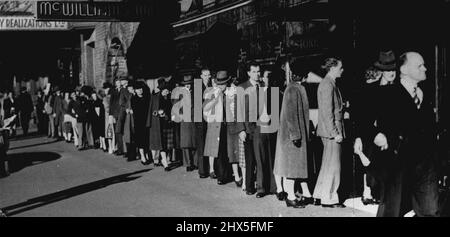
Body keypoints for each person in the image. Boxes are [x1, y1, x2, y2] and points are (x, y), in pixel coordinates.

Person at [374, 52, 439, 217]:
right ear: (404, 69)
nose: (425, 68)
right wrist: (376, 135)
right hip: (397, 163)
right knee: (392, 211)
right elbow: (364, 121)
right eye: (420, 65)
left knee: (430, 210)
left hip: (425, 164)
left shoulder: (425, 94)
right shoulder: (386, 94)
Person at [353, 50, 397, 205]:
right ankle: (370, 193)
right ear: (381, 71)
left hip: (392, 137)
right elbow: (362, 118)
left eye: (393, 69)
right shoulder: (371, 91)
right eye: (387, 70)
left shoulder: (397, 91)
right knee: (373, 167)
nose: (391, 72)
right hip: (374, 136)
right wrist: (363, 136)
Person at [274, 65, 312, 208]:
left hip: (295, 135)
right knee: (292, 168)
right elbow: (291, 115)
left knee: (299, 167)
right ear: (304, 76)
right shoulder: (293, 89)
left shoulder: (294, 88)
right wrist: (296, 135)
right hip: (292, 137)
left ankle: (307, 194)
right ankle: (290, 197)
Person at [313, 57, 346, 208]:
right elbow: (327, 112)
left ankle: (320, 195)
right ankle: (329, 198)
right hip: (331, 132)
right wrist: (335, 133)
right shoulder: (328, 84)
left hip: (328, 130)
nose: (342, 70)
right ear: (332, 68)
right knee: (333, 166)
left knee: (327, 165)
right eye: (340, 67)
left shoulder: (328, 83)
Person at [238, 62, 269, 198]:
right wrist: (241, 130)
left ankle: (261, 186)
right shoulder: (242, 87)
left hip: (261, 127)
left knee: (260, 157)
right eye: (254, 72)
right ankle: (249, 185)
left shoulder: (263, 86)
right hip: (247, 128)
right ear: (249, 73)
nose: (257, 74)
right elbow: (238, 111)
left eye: (259, 72)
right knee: (249, 158)